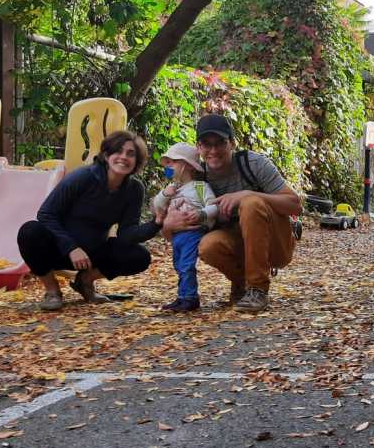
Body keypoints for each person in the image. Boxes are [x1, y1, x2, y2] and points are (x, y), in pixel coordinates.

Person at [161, 114, 302, 312]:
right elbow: (168, 229)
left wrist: (246, 194)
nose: (213, 150)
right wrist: (169, 224)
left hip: (275, 243)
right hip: (236, 241)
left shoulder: (252, 164)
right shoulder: (197, 179)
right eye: (206, 144)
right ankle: (241, 283)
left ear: (232, 143)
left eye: (220, 143)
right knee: (207, 246)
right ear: (199, 148)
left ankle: (257, 289)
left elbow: (295, 205)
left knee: (251, 203)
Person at [17, 130, 159, 311]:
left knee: (140, 256)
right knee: (29, 232)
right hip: (59, 249)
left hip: (92, 254)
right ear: (107, 155)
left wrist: (157, 223)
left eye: (130, 154)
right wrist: (71, 247)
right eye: (118, 151)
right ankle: (52, 291)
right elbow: (46, 214)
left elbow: (127, 233)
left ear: (136, 161)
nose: (124, 157)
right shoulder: (82, 177)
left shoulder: (134, 189)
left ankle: (85, 281)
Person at [151, 142, 218, 312]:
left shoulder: (200, 187)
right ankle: (182, 297)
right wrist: (165, 194)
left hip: (193, 232)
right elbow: (157, 207)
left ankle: (190, 298)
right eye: (167, 163)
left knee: (186, 265)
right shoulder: (172, 189)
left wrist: (202, 214)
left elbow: (214, 207)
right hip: (177, 235)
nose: (168, 167)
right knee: (179, 265)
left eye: (172, 162)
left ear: (186, 165)